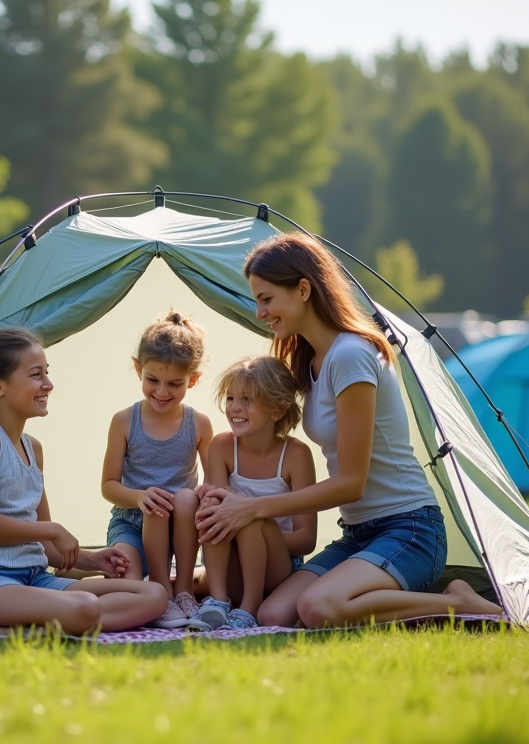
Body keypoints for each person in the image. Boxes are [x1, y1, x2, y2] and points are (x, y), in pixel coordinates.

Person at [195, 233, 501, 628]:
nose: (259, 312)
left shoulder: (352, 355)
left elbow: (351, 483)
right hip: (358, 534)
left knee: (318, 609)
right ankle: (380, 593)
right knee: (273, 612)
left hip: (409, 528)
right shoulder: (310, 361)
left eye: (266, 299)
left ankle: (456, 602)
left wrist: (252, 507)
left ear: (303, 289)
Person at [0, 327, 166, 638]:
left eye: (47, 374)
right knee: (84, 607)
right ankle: (16, 628)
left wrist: (94, 560)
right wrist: (52, 529)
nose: (48, 384)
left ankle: (6, 631)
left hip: (34, 578)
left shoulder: (32, 448)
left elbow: (47, 551)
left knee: (154, 594)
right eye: (36, 375)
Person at [100, 310, 214, 628]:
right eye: (152, 380)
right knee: (129, 582)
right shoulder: (124, 421)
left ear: (193, 379)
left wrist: (201, 494)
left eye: (175, 384)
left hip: (180, 526)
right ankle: (159, 590)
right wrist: (139, 498)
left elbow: (215, 479)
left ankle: (182, 589)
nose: (162, 392)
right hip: (131, 524)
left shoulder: (199, 424)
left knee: (183, 499)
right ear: (138, 368)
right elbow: (108, 485)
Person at [190, 357, 317, 630]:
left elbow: (306, 541)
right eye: (230, 398)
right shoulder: (222, 446)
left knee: (248, 514)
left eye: (246, 400)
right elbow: (214, 512)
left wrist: (254, 526)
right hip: (229, 566)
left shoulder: (296, 455)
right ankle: (218, 601)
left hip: (276, 570)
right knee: (215, 503)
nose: (234, 407)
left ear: (278, 409)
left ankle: (250, 608)